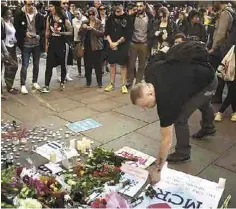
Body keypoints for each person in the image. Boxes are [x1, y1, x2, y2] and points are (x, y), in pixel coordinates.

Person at [130, 42, 217, 184]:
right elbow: (164, 49)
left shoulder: (166, 102)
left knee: (180, 117)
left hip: (208, 81)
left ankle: (183, 153)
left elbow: (166, 140)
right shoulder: (150, 70)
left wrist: (158, 169)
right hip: (198, 72)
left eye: (145, 105)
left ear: (150, 92)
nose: (145, 109)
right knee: (201, 103)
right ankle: (209, 127)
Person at [41, 1, 72, 93]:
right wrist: (46, 44)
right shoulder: (49, 17)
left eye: (51, 6)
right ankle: (46, 85)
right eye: (49, 6)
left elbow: (70, 31)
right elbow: (47, 32)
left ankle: (62, 82)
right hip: (52, 44)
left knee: (63, 64)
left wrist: (61, 33)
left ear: (56, 7)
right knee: (49, 65)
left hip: (62, 44)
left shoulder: (64, 17)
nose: (49, 8)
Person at [14, 0, 45, 94]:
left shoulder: (39, 15)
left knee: (36, 64)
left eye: (32, 4)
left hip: (36, 44)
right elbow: (16, 28)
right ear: (25, 5)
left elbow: (43, 29)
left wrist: (40, 35)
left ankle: (34, 82)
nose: (31, 6)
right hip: (26, 44)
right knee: (25, 65)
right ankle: (23, 85)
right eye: (29, 4)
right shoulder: (20, 14)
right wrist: (25, 33)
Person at [104, 3, 133, 94]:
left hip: (123, 44)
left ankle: (123, 85)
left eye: (119, 10)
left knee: (123, 65)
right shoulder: (110, 18)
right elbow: (106, 32)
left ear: (122, 7)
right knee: (112, 64)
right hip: (111, 43)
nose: (118, 12)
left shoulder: (128, 18)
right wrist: (111, 43)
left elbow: (128, 33)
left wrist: (117, 43)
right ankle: (111, 84)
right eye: (116, 10)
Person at [210, 1, 234, 104]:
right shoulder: (228, 12)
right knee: (224, 72)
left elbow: (221, 32)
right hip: (227, 47)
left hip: (223, 47)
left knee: (222, 72)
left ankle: (220, 97)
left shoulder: (225, 13)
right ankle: (223, 96)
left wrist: (213, 47)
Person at [127, 1, 154, 88]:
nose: (139, 8)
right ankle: (130, 81)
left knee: (142, 65)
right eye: (137, 6)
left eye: (141, 6)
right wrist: (129, 15)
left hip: (144, 44)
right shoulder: (132, 17)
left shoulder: (150, 17)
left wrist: (148, 43)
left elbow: (151, 30)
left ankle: (138, 82)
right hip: (133, 43)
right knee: (131, 64)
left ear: (145, 6)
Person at [79, 7, 104, 88]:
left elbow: (101, 34)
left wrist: (92, 29)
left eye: (92, 14)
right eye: (89, 14)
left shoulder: (99, 23)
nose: (91, 16)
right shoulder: (85, 22)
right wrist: (83, 28)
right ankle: (88, 82)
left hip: (96, 47)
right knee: (87, 65)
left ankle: (99, 82)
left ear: (96, 14)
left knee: (98, 66)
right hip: (87, 47)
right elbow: (80, 34)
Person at [2, 6, 18, 95]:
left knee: (14, 66)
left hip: (13, 46)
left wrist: (15, 40)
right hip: (6, 47)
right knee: (11, 66)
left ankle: (9, 83)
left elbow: (13, 33)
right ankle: (9, 87)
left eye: (10, 13)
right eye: (8, 13)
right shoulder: (2, 23)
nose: (9, 15)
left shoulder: (11, 21)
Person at [56, 0, 73, 82]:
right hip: (59, 38)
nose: (66, 5)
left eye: (67, 3)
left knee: (68, 57)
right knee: (60, 58)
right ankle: (59, 75)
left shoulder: (69, 14)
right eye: (64, 3)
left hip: (68, 39)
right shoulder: (57, 14)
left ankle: (66, 74)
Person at [72, 8, 87, 78]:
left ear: (81, 12)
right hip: (76, 40)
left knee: (85, 56)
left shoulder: (85, 19)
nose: (76, 15)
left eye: (78, 13)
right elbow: (72, 30)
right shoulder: (73, 20)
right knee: (78, 57)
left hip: (84, 40)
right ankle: (79, 72)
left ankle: (86, 72)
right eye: (75, 14)